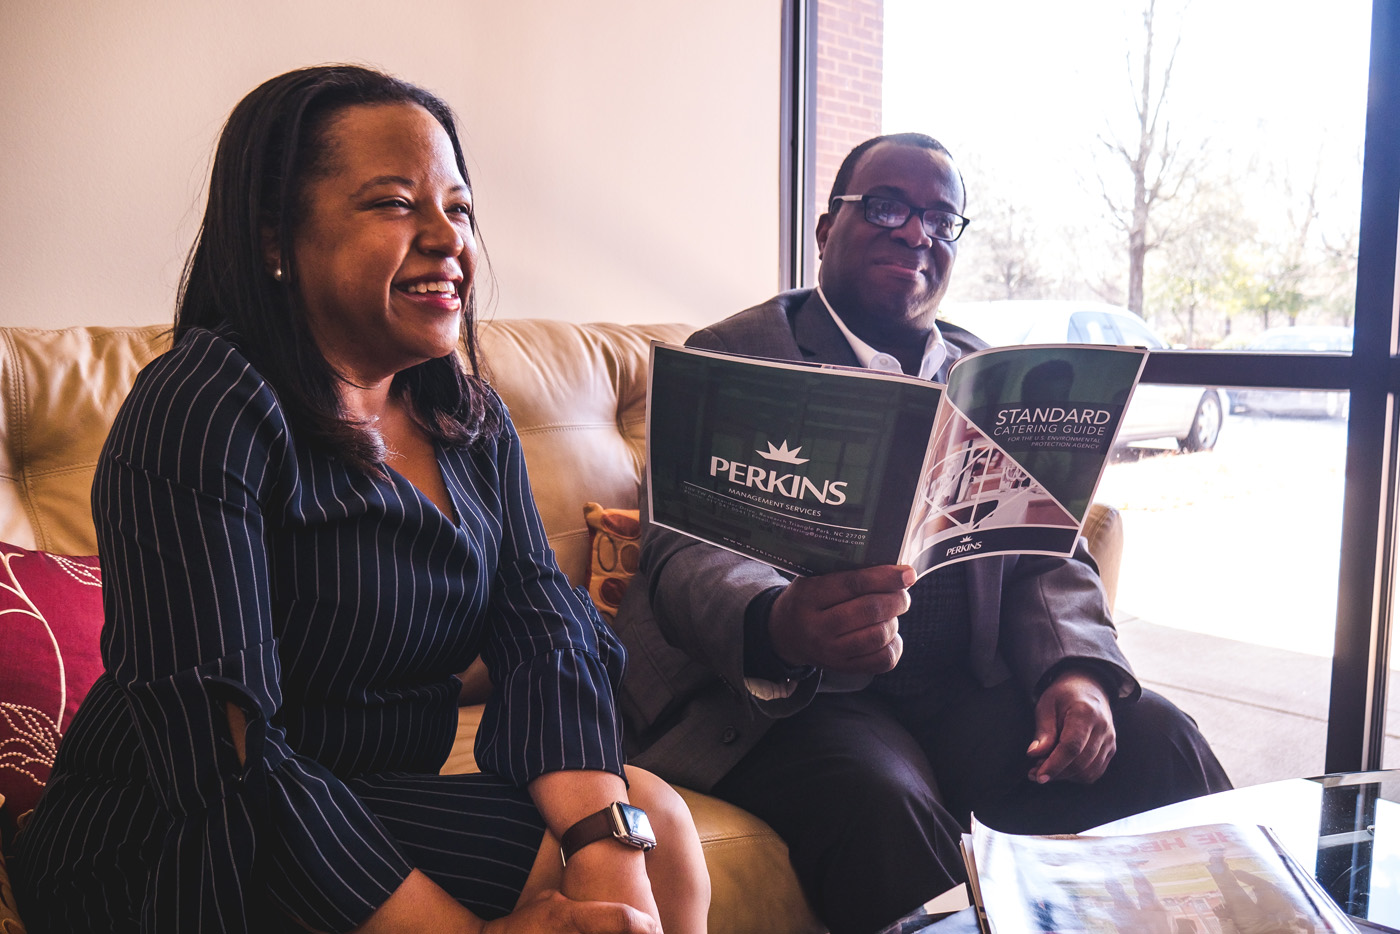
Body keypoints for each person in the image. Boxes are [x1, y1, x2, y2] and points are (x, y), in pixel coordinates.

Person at [11, 65, 708, 934]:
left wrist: (606, 847)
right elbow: (220, 746)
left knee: (655, 829)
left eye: (459, 208)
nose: (447, 238)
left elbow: (545, 632)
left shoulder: (465, 417)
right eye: (394, 203)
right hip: (177, 829)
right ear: (275, 238)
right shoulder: (204, 404)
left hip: (361, 796)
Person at [612, 132, 1230, 934]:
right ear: (826, 230)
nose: (915, 233)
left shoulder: (987, 377)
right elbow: (683, 551)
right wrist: (779, 622)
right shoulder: (735, 356)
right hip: (801, 702)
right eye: (886, 208)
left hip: (963, 686)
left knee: (1158, 737)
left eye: (941, 220)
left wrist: (1076, 670)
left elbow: (1047, 551)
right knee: (883, 801)